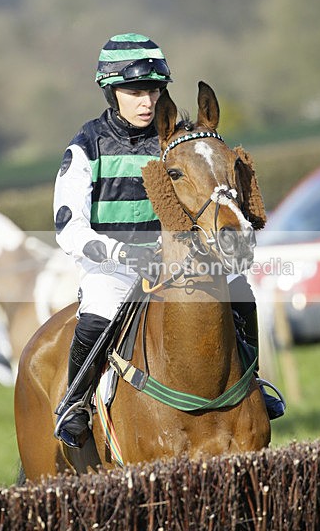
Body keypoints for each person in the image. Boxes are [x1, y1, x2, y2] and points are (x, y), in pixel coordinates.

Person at [53, 32, 284, 449]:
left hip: (179, 261)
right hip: (114, 266)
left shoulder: (178, 141)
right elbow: (69, 229)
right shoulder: (86, 146)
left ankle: (252, 381)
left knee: (239, 291)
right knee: (100, 310)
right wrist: (125, 254)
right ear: (112, 92)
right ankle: (76, 402)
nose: (147, 101)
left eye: (155, 91)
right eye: (136, 91)